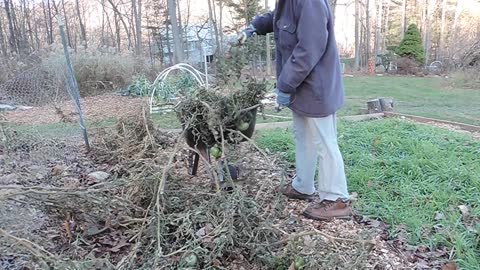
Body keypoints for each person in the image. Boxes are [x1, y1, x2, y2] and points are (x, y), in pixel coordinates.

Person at [238, 0, 352, 220]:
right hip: (302, 85)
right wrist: (256, 26)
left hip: (316, 86)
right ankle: (304, 186)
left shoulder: (309, 2)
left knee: (324, 142)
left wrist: (285, 84)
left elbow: (309, 48)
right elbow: (280, 17)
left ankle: (337, 199)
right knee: (303, 136)